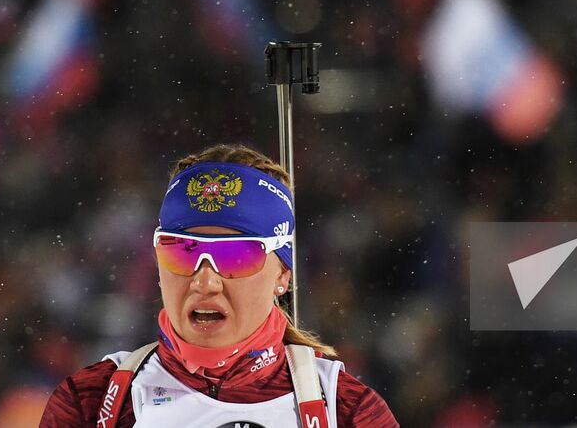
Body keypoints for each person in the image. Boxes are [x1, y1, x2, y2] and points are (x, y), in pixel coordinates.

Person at [40, 144, 398, 426]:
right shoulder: (91, 403)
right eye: (182, 252)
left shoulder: (346, 411)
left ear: (283, 275)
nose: (205, 281)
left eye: (236, 257)